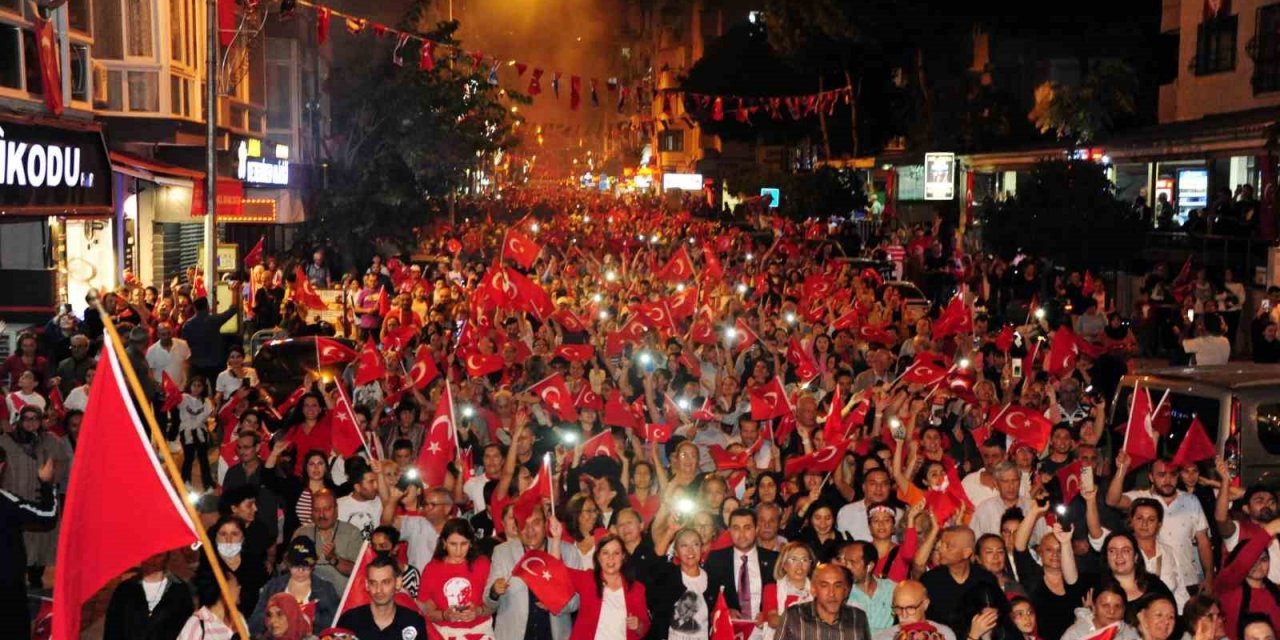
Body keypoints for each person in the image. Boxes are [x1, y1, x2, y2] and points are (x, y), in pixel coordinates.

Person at [1107, 453, 1216, 600]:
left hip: (1189, 581)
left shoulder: (1191, 501)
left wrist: (1209, 577)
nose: (1168, 480)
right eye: (1162, 475)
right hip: (1151, 584)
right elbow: (1112, 500)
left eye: (1173, 475)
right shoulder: (1141, 499)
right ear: (1151, 477)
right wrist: (1121, 469)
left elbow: (1203, 542)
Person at [485, 503, 582, 640]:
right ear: (517, 527)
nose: (530, 530)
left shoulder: (568, 552)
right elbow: (488, 602)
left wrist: (557, 603)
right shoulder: (503, 552)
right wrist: (494, 591)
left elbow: (577, 601)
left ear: (546, 523)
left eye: (536, 522)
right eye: (524, 524)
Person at [548, 524, 651, 640]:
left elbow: (644, 627)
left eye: (616, 553)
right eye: (605, 553)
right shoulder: (588, 580)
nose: (610, 558)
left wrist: (638, 625)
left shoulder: (637, 589)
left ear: (623, 556)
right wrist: (556, 538)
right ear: (598, 557)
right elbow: (556, 571)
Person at [0, 450, 56, 640]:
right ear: (2, 467)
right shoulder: (7, 502)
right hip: (8, 590)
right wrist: (47, 483)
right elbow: (48, 516)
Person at [418, 518, 494, 638]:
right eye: (453, 544)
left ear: (471, 543)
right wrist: (444, 615)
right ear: (444, 543)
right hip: (444, 633)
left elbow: (493, 605)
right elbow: (426, 611)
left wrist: (477, 612)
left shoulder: (483, 564)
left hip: (480, 631)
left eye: (464, 544)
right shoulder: (432, 569)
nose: (458, 551)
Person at [250, 538, 340, 635]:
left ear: (314, 564)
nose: (300, 570)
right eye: (296, 565)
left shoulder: (326, 589)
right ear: (288, 563)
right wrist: (274, 617)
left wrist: (313, 618)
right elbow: (254, 625)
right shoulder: (273, 587)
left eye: (306, 565)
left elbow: (336, 624)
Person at [920, 526, 1002, 632]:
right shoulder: (929, 580)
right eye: (941, 544)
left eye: (948, 546)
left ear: (966, 553)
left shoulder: (986, 579)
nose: (940, 549)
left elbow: (998, 616)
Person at [706, 507, 780, 625]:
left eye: (747, 528)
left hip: (766, 630)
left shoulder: (775, 559)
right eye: (736, 528)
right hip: (729, 629)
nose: (741, 534)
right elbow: (708, 597)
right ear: (729, 530)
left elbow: (785, 596)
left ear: (756, 529)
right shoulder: (716, 559)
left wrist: (768, 613)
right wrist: (724, 611)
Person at [102, 551, 195, 640]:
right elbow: (112, 632)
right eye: (148, 554)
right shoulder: (124, 590)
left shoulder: (180, 591)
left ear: (167, 556)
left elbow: (187, 631)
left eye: (158, 555)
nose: (152, 560)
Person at [336, 554, 428, 640]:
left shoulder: (413, 622)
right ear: (367, 584)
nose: (379, 589)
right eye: (373, 583)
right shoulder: (349, 621)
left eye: (385, 582)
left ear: (398, 583)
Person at [774, 563, 871, 640]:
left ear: (845, 591)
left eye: (837, 586)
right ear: (813, 590)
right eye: (824, 586)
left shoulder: (857, 617)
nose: (832, 593)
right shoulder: (794, 616)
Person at [291, 489, 362, 591]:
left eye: (327, 509)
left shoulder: (352, 532)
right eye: (316, 510)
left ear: (336, 509)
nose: (321, 515)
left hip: (340, 600)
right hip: (308, 598)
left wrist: (334, 558)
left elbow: (357, 571)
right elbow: (287, 567)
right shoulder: (302, 533)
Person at [650, 527, 710, 640]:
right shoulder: (667, 576)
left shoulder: (712, 580)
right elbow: (655, 562)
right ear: (676, 552)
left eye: (695, 544)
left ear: (702, 549)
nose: (690, 550)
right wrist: (670, 531)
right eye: (684, 546)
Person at [762, 542, 817, 639]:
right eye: (793, 559)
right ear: (784, 565)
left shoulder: (817, 590)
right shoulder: (772, 589)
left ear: (810, 565)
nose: (800, 565)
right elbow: (773, 620)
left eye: (804, 560)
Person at [840, 541, 896, 635]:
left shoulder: (892, 589)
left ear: (869, 566)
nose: (847, 567)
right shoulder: (841, 593)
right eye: (845, 562)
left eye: (852, 562)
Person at [873, 580, 956, 640]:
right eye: (898, 608)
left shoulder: (945, 634)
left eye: (910, 608)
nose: (903, 615)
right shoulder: (884, 637)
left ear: (925, 604)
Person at [176, 568, 241, 640]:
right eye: (235, 584)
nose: (239, 588)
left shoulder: (236, 625)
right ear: (224, 591)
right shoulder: (197, 624)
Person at [1060, 582, 1140, 640]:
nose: (1112, 611)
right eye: (1105, 606)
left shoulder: (1131, 634)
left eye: (1117, 606)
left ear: (1123, 611)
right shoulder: (1076, 633)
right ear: (1094, 608)